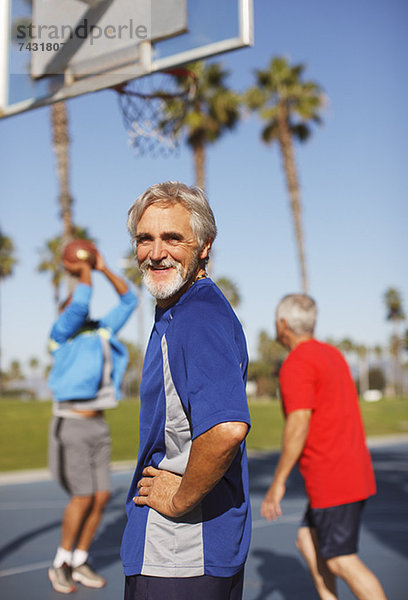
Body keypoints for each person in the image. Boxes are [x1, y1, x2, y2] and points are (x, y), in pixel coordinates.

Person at [120, 181, 251, 600]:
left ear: (205, 246)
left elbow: (227, 427)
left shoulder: (196, 315)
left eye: (172, 238)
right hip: (191, 554)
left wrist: (178, 500)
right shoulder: (182, 310)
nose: (156, 252)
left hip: (180, 553)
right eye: (145, 238)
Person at [261, 294, 388, 600]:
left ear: (283, 324)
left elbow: (299, 423)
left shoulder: (296, 363)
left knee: (341, 560)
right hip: (351, 471)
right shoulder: (332, 355)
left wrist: (277, 483)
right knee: (307, 539)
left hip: (333, 479)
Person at [47, 247, 138, 594]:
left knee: (100, 497)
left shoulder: (99, 332)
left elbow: (129, 301)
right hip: (72, 422)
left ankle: (80, 558)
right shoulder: (61, 336)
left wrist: (102, 267)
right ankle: (61, 562)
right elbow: (81, 302)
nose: (76, 311)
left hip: (99, 424)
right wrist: (84, 265)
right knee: (83, 496)